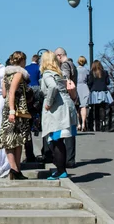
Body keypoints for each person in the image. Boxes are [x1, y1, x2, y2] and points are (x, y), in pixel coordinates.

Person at [40, 51, 78, 180]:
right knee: (59, 141)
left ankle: (60, 170)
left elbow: (53, 87)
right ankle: (61, 169)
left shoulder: (47, 74)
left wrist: (49, 103)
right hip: (66, 106)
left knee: (56, 141)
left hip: (57, 109)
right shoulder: (58, 73)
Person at [0, 51, 32, 180]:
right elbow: (11, 92)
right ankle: (14, 168)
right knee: (15, 139)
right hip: (16, 109)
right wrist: (13, 110)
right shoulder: (18, 73)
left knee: (12, 139)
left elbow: (4, 94)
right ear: (22, 61)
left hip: (8, 108)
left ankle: (16, 169)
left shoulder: (6, 74)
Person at [54, 47, 77, 167]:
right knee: (71, 131)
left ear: (59, 55)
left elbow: (65, 80)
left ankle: (68, 159)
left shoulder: (64, 66)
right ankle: (71, 159)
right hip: (72, 99)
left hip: (65, 99)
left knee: (66, 132)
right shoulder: (73, 64)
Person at [87, 60, 112, 132]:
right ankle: (103, 122)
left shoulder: (92, 73)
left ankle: (97, 125)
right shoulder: (105, 72)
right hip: (103, 92)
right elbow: (107, 82)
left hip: (94, 92)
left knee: (95, 109)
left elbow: (90, 82)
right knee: (103, 108)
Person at [76, 56, 90, 132]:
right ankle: (84, 123)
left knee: (77, 107)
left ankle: (79, 124)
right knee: (83, 107)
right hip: (84, 87)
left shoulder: (75, 70)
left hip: (77, 87)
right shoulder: (86, 70)